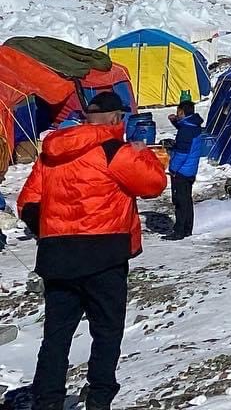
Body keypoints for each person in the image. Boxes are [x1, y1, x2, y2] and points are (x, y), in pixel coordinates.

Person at [17, 90, 167, 410]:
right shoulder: (115, 151)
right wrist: (143, 153)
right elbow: (153, 185)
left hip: (57, 256)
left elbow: (28, 204)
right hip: (105, 255)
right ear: (115, 119)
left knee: (56, 338)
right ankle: (99, 400)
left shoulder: (51, 153)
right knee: (106, 332)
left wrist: (51, 233)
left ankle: (47, 402)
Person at [166, 97, 204, 241]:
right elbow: (184, 128)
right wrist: (175, 121)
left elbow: (182, 153)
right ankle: (188, 228)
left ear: (182, 112)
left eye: (178, 112)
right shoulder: (193, 125)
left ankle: (179, 231)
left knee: (180, 201)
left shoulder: (186, 131)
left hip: (182, 171)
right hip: (190, 170)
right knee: (187, 200)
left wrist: (173, 169)